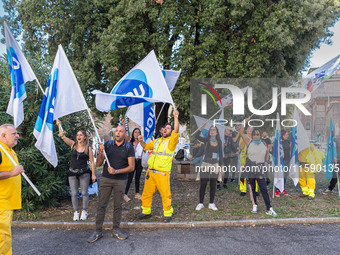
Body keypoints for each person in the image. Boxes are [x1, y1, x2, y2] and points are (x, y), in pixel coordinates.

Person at [87, 126, 135, 242]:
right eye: (116, 131)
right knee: (101, 205)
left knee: (118, 206)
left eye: (121, 131)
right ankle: (98, 231)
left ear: (124, 134)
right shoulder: (107, 145)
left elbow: (131, 167)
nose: (118, 133)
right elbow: (98, 163)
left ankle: (116, 230)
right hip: (106, 179)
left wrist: (117, 171)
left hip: (121, 180)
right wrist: (101, 152)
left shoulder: (128, 147)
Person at [137, 108, 179, 223]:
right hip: (151, 173)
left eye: (168, 128)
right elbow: (145, 146)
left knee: (165, 195)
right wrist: (140, 141)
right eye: (164, 128)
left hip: (162, 174)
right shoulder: (156, 141)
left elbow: (176, 131)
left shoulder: (171, 142)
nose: (166, 130)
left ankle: (167, 214)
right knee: (146, 194)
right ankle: (146, 212)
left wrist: (176, 117)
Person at [56, 119, 96, 221]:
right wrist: (59, 125)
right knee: (73, 193)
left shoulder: (88, 148)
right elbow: (63, 136)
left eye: (81, 135)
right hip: (72, 173)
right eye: (77, 135)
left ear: (85, 137)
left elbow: (92, 162)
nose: (78, 137)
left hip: (84, 173)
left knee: (84, 193)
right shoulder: (73, 145)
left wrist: (93, 174)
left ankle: (84, 211)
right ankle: (75, 212)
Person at [237, 121, 278, 217]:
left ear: (260, 135)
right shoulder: (249, 142)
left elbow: (267, 153)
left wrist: (266, 162)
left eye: (257, 134)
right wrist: (245, 122)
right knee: (252, 188)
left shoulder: (264, 143)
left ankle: (269, 208)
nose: (256, 136)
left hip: (260, 169)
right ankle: (254, 205)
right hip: (251, 168)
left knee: (263, 188)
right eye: (254, 134)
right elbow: (241, 133)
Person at [0, 124, 24, 255]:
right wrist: (11, 173)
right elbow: (11, 173)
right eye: (14, 134)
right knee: (2, 239)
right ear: (3, 136)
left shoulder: (8, 150)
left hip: (8, 203)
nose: (17, 136)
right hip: (1, 204)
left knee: (5, 238)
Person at [194, 123, 223, 211]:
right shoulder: (206, 140)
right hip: (205, 164)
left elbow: (221, 154)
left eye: (214, 130)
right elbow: (196, 135)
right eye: (211, 130)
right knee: (203, 183)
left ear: (217, 132)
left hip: (214, 164)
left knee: (213, 184)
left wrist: (222, 165)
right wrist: (202, 126)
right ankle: (200, 203)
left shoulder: (219, 142)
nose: (212, 131)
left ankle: (211, 203)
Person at [123, 128, 143, 202]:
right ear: (133, 133)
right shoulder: (131, 142)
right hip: (132, 161)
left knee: (138, 177)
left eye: (138, 132)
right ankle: (125, 194)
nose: (137, 134)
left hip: (139, 161)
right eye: (135, 132)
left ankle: (137, 193)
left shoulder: (141, 142)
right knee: (130, 178)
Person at [275, 130, 290, 197]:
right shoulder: (278, 142)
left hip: (287, 160)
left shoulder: (288, 141)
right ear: (282, 135)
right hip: (280, 161)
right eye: (286, 134)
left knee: (285, 175)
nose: (287, 136)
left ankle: (282, 188)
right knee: (280, 175)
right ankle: (277, 190)